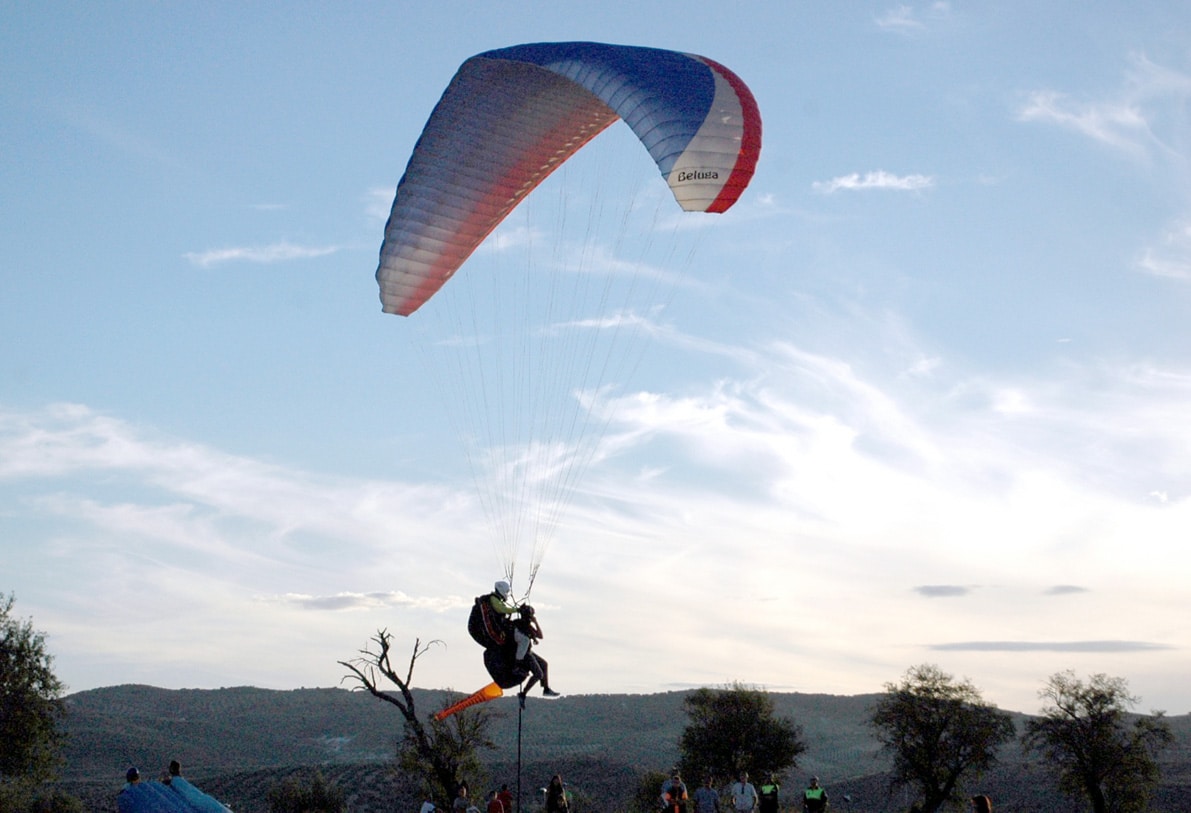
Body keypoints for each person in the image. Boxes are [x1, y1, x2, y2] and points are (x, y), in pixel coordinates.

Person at [512, 605, 560, 704]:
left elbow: (539, 636)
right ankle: (523, 694)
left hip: (527, 652)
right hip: (525, 654)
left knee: (544, 664)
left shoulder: (521, 624)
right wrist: (535, 622)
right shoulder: (523, 625)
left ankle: (546, 688)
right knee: (538, 674)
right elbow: (539, 635)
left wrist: (534, 625)